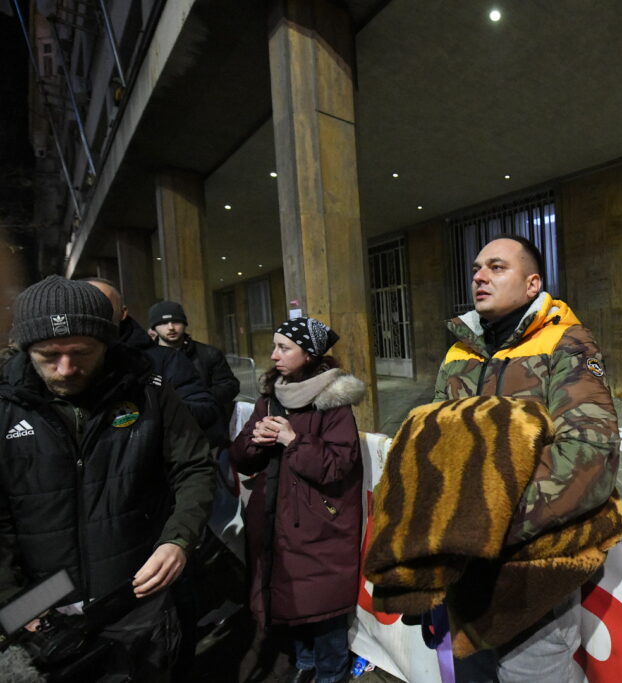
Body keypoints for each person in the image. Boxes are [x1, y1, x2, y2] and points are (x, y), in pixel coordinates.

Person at [0, 275, 217, 680]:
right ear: (26, 349)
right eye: (49, 355)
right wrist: (17, 605)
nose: (66, 369)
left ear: (107, 342)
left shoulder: (149, 389)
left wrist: (179, 539)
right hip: (40, 608)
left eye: (81, 352)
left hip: (135, 592)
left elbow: (194, 467)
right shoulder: (5, 405)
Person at [433, 235, 620, 681]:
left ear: (533, 283)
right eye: (477, 268)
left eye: (497, 267)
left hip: (530, 568)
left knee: (532, 672)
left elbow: (590, 452)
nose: (479, 276)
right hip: (462, 565)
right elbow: (431, 448)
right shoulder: (459, 352)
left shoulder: (566, 342)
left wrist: (492, 522)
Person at [230, 316, 365, 683]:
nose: (274, 355)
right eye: (275, 346)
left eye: (283, 348)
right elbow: (240, 459)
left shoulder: (334, 403)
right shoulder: (271, 399)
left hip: (319, 525)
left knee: (321, 610)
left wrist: (294, 440)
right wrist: (254, 441)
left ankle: (331, 673)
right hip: (276, 520)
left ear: (309, 354)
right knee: (291, 600)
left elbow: (338, 465)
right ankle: (304, 666)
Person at [83, 278, 222, 441]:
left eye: (102, 303)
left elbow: (205, 410)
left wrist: (147, 410)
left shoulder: (165, 360)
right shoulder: (61, 363)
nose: (92, 311)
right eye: (82, 304)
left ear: (122, 312)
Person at [149, 300, 240, 443]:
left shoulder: (209, 354)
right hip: (165, 434)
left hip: (207, 431)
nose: (171, 327)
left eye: (176, 322)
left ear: (185, 324)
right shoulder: (147, 358)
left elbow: (230, 385)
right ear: (154, 327)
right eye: (163, 323)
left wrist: (200, 398)